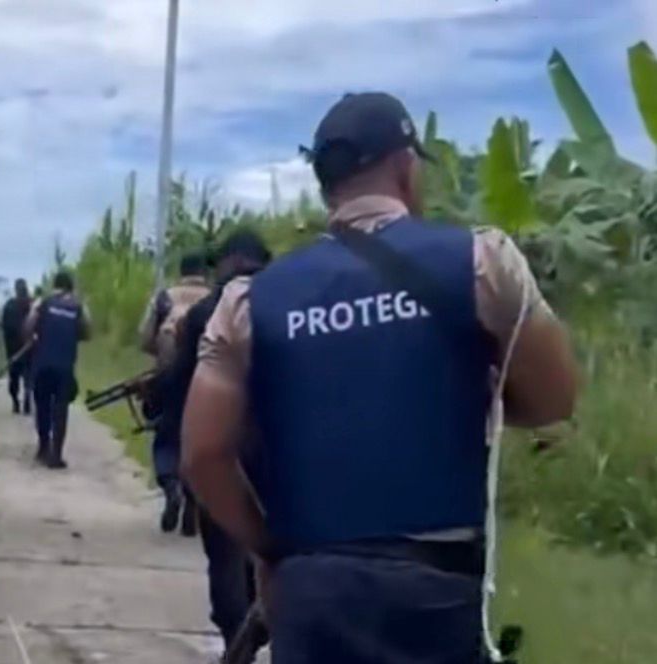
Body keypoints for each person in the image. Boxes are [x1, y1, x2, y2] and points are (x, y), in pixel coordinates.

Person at [182, 92, 580, 664]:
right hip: (434, 591)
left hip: (312, 590)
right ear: (406, 166)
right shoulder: (481, 263)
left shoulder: (250, 301)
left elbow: (202, 455)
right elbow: (554, 399)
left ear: (326, 187)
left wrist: (270, 551)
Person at [165, 231, 272, 656]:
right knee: (273, 552)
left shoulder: (206, 313)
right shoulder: (295, 301)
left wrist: (174, 440)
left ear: (228, 263)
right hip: (282, 455)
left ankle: (236, 640)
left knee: (226, 552)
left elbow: (181, 384)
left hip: (224, 447)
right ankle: (259, 626)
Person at [138, 252, 210, 534]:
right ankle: (193, 497)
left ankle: (171, 487)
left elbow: (145, 339)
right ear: (204, 272)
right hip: (208, 379)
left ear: (181, 272)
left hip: (169, 377)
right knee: (201, 440)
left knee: (166, 436)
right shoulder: (216, 298)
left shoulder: (164, 298)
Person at [25, 271, 91, 469]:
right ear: (71, 287)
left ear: (55, 286)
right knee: (61, 409)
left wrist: (34, 335)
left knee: (42, 406)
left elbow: (28, 327)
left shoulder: (43, 303)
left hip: (42, 364)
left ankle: (43, 447)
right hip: (65, 365)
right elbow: (87, 333)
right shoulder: (77, 306)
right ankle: (56, 455)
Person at [0, 279, 34, 414]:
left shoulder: (9, 306)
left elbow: (4, 328)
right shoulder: (32, 304)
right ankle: (25, 396)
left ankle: (16, 401)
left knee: (15, 377)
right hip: (29, 347)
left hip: (14, 348)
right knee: (27, 376)